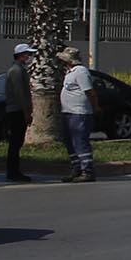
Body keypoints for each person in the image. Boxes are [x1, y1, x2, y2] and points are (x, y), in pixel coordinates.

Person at [57, 45, 97, 182]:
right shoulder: (70, 72)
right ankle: (76, 168)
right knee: (69, 142)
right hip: (68, 112)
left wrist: (95, 107)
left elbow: (90, 92)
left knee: (80, 142)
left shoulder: (81, 72)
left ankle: (88, 171)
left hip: (79, 113)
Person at [1, 43, 35, 182]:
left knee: (17, 142)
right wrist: (26, 112)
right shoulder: (16, 71)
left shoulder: (20, 69)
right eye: (28, 54)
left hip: (17, 110)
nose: (30, 57)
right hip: (16, 111)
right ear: (21, 55)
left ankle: (14, 170)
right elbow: (20, 94)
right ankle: (13, 171)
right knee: (15, 142)